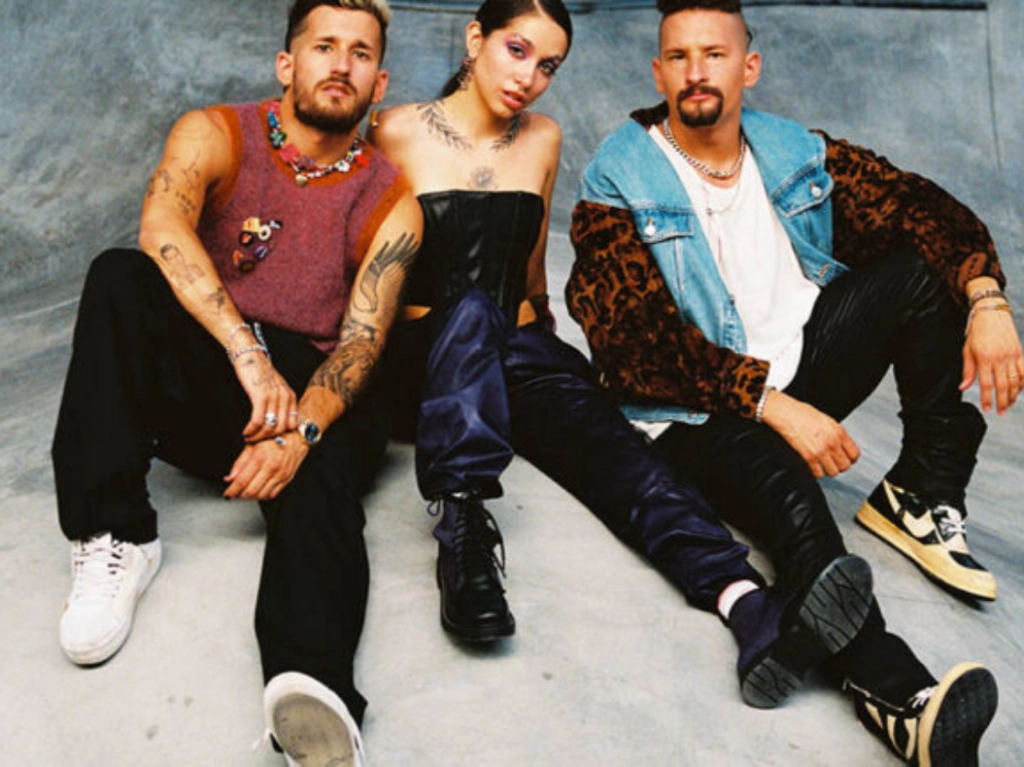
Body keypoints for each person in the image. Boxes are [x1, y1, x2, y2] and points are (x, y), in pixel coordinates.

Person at [370, 0, 878, 723]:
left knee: (623, 456)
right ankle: (464, 528)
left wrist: (555, 366)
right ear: (476, 38)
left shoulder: (542, 138)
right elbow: (365, 268)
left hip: (515, 346)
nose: (529, 78)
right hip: (424, 357)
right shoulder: (394, 129)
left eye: (548, 66)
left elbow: (531, 274)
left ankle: (742, 600)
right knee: (473, 307)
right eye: (517, 50)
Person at [568, 0, 1013, 762]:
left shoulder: (790, 149)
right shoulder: (618, 174)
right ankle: (901, 696)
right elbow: (629, 343)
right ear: (658, 72)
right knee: (797, 510)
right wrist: (769, 404)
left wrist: (987, 297)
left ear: (749, 66)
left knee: (922, 272)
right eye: (678, 56)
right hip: (690, 411)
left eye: (714, 54)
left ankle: (918, 492)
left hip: (796, 372)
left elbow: (919, 208)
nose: (696, 72)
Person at [51, 1, 420, 764]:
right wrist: (247, 355)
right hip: (224, 371)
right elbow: (161, 228)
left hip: (318, 383)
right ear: (287, 64)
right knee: (119, 275)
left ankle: (311, 688)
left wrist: (300, 432)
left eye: (360, 53)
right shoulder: (216, 133)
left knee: (320, 478)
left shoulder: (393, 200)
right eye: (323, 46)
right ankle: (118, 532)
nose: (340, 65)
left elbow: (361, 341)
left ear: (378, 82)